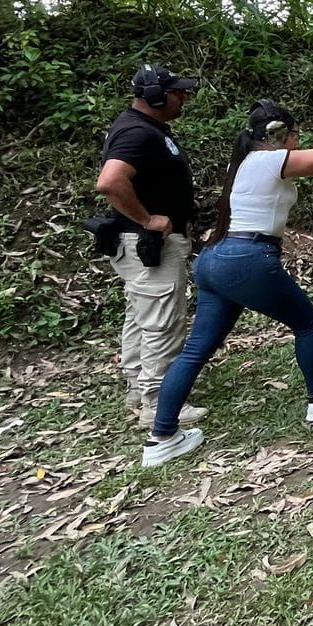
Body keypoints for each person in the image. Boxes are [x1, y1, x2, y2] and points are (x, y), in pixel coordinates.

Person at [142, 100, 313, 467]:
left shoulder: (244, 162)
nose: (296, 141)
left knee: (196, 349)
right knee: (305, 321)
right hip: (245, 257)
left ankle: (161, 436)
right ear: (280, 135)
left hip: (215, 259)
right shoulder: (267, 160)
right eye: (294, 134)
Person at [97, 64, 208, 428]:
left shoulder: (144, 128)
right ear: (156, 97)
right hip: (149, 243)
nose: (183, 97)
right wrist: (147, 220)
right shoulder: (137, 132)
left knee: (141, 315)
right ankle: (159, 402)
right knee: (162, 322)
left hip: (143, 245)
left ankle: (137, 386)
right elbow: (110, 182)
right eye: (177, 92)